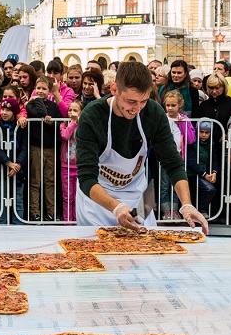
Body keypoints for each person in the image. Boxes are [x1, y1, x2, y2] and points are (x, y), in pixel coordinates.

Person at [75, 61, 208, 231]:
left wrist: (187, 204)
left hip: (137, 196)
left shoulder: (154, 113)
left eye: (143, 101)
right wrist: (116, 207)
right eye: (131, 101)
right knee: (97, 253)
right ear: (114, 89)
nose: (137, 109)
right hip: (97, 201)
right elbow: (86, 178)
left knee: (146, 251)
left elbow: (173, 163)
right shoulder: (92, 115)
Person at [26, 76, 61, 222]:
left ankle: (51, 211)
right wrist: (36, 100)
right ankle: (35, 211)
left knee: (49, 180)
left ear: (50, 91)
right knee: (35, 181)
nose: (40, 91)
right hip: (36, 147)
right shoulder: (31, 104)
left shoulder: (53, 106)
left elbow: (58, 124)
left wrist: (51, 123)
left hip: (50, 147)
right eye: (38, 88)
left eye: (44, 89)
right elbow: (38, 113)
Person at [159, 90, 196, 220]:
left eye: (173, 105)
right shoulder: (162, 117)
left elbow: (191, 139)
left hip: (179, 156)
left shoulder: (184, 119)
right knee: (164, 184)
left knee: (176, 184)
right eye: (167, 105)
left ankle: (175, 210)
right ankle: (166, 211)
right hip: (163, 157)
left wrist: (182, 124)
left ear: (180, 105)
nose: (170, 108)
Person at [186, 120, 218, 216]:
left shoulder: (210, 144)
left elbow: (214, 160)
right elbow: (191, 162)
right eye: (201, 132)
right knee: (209, 189)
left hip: (203, 174)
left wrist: (214, 172)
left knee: (209, 190)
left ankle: (200, 211)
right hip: (192, 174)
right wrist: (204, 174)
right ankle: (201, 211)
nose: (204, 135)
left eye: (207, 132)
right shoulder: (192, 143)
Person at [59, 100, 83, 222]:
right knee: (67, 196)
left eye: (75, 110)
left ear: (81, 112)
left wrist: (77, 122)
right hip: (66, 166)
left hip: (79, 166)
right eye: (70, 110)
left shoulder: (83, 125)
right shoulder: (64, 124)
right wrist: (72, 123)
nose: (72, 113)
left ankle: (77, 220)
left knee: (78, 197)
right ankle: (68, 222)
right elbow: (65, 136)